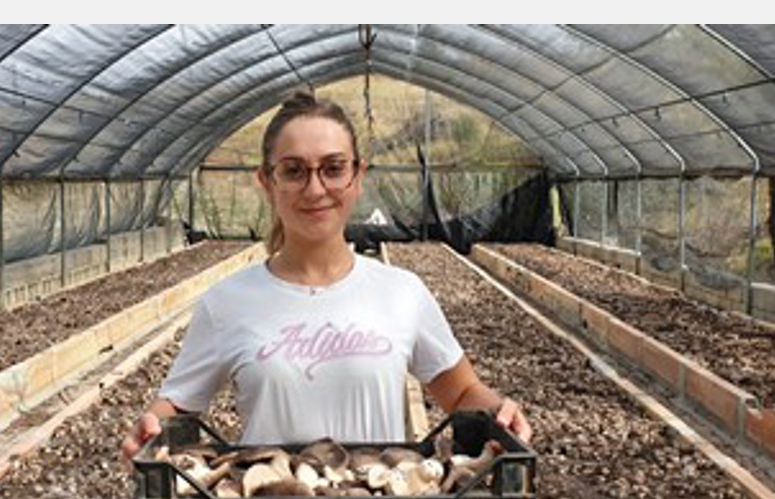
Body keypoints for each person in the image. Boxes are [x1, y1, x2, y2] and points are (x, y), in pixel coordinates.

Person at [121, 91, 531, 457]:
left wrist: (498, 411)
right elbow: (178, 406)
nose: (315, 189)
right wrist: (152, 424)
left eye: (333, 168)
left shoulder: (401, 292)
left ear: (357, 176)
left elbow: (460, 391)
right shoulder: (228, 301)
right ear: (267, 181)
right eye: (294, 170)